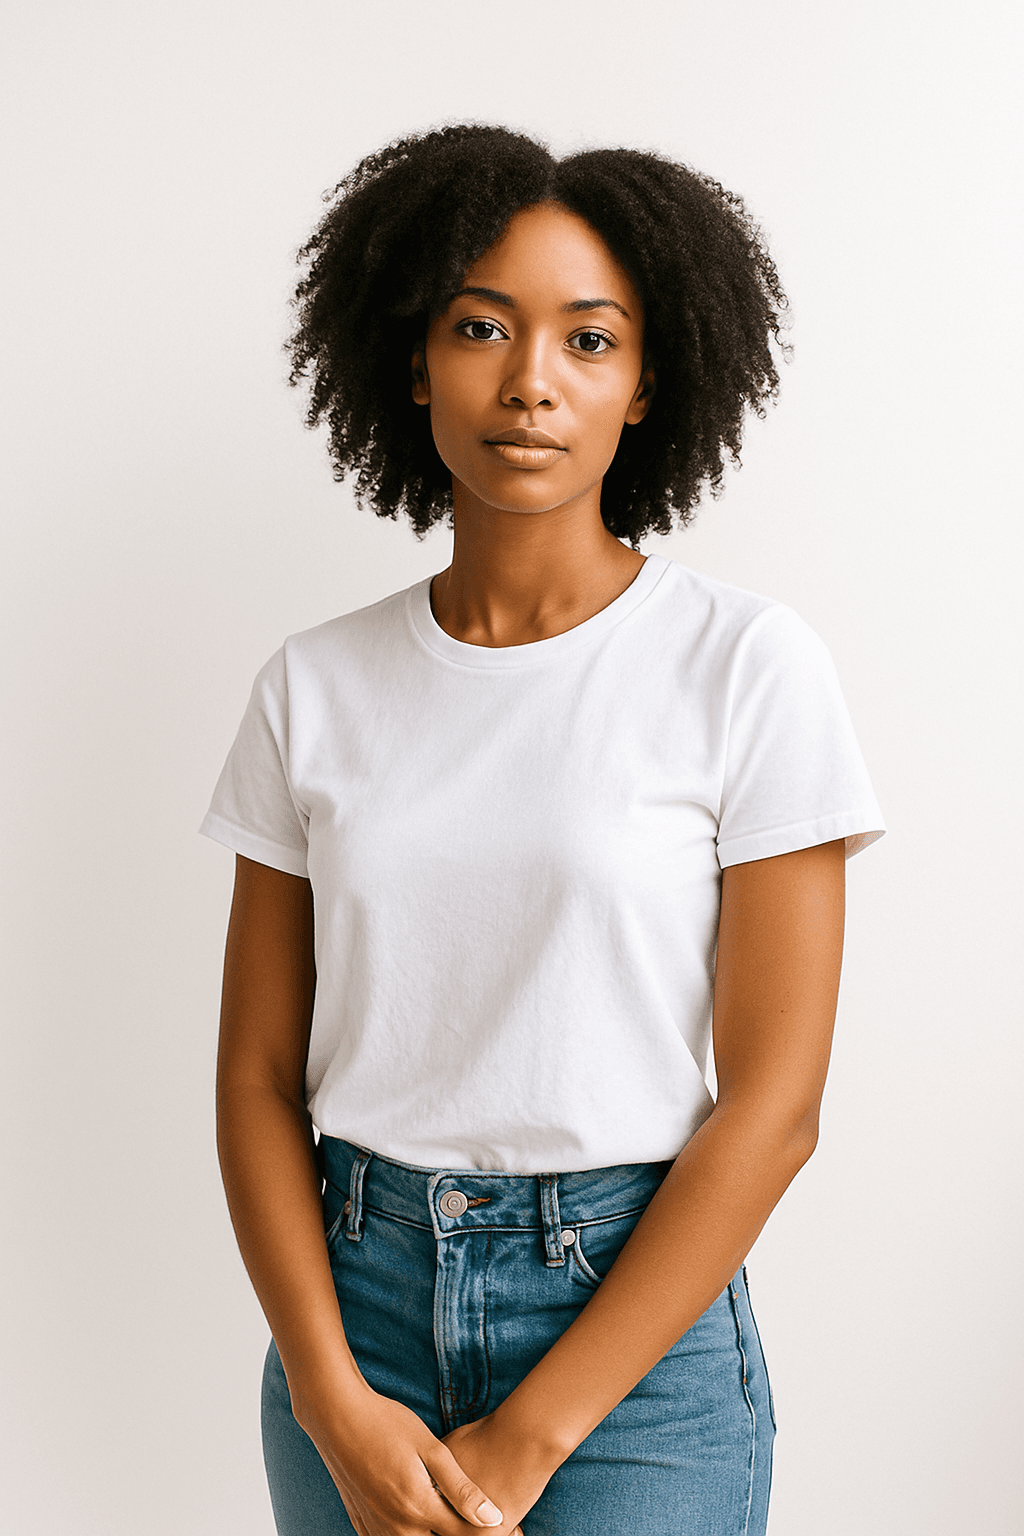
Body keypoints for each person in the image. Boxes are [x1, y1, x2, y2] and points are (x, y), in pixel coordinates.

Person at [202, 124, 885, 1536]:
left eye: (589, 340)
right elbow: (260, 1077)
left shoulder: (745, 667)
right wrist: (330, 1401)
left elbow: (774, 1108)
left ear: (648, 385)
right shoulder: (312, 687)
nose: (530, 384)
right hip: (356, 1315)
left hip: (635, 1347)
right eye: (479, 328)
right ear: (410, 359)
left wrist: (530, 1437)